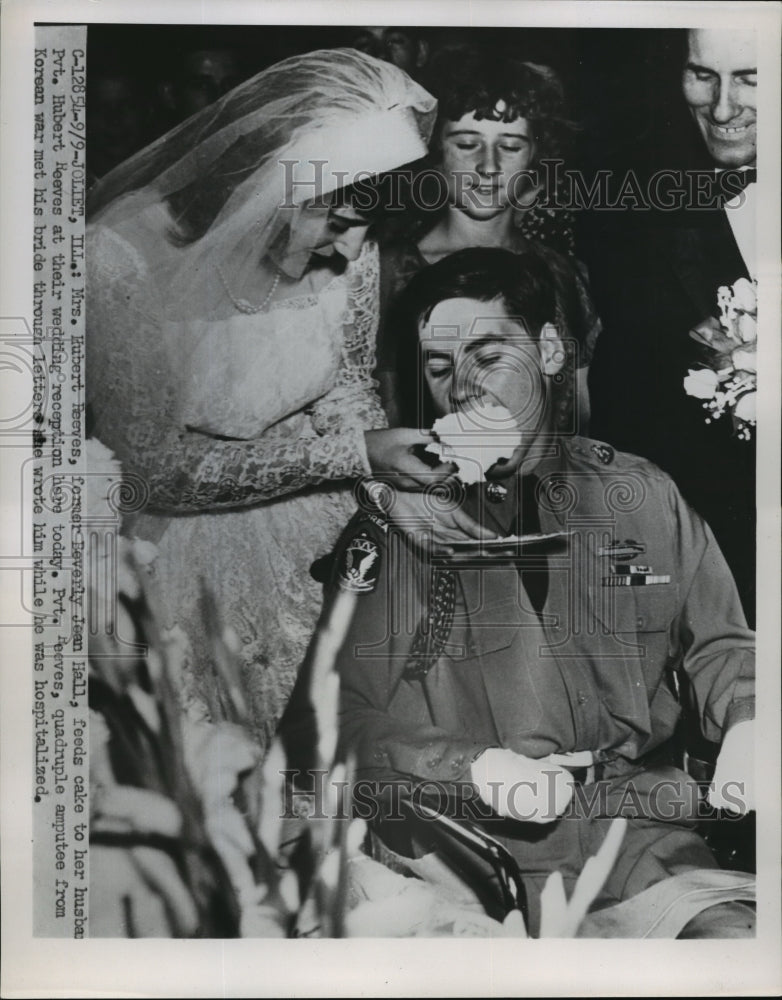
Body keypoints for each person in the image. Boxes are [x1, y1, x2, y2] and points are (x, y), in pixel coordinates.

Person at [310, 248, 755, 937]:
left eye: (487, 357)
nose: (461, 389)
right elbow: (334, 720)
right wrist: (473, 767)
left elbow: (724, 645)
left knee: (737, 948)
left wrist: (754, 723)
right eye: (438, 368)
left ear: (550, 351)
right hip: (471, 865)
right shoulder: (398, 530)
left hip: (637, 842)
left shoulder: (639, 495)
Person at [87, 49, 451, 748]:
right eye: (335, 220)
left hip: (323, 531)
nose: (349, 253)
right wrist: (353, 454)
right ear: (271, 181)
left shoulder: (352, 234)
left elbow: (346, 384)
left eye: (364, 226)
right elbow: (148, 471)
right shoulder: (117, 259)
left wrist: (385, 490)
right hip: (176, 557)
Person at [586, 28, 757, 625]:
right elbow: (625, 407)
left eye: (751, 78)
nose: (723, 108)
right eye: (702, 75)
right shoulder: (635, 208)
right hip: (721, 565)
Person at [375, 46, 600, 431]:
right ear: (433, 151)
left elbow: (577, 414)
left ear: (535, 158)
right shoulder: (386, 273)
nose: (489, 166)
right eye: (466, 144)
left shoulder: (564, 274)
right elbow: (383, 418)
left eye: (510, 146)